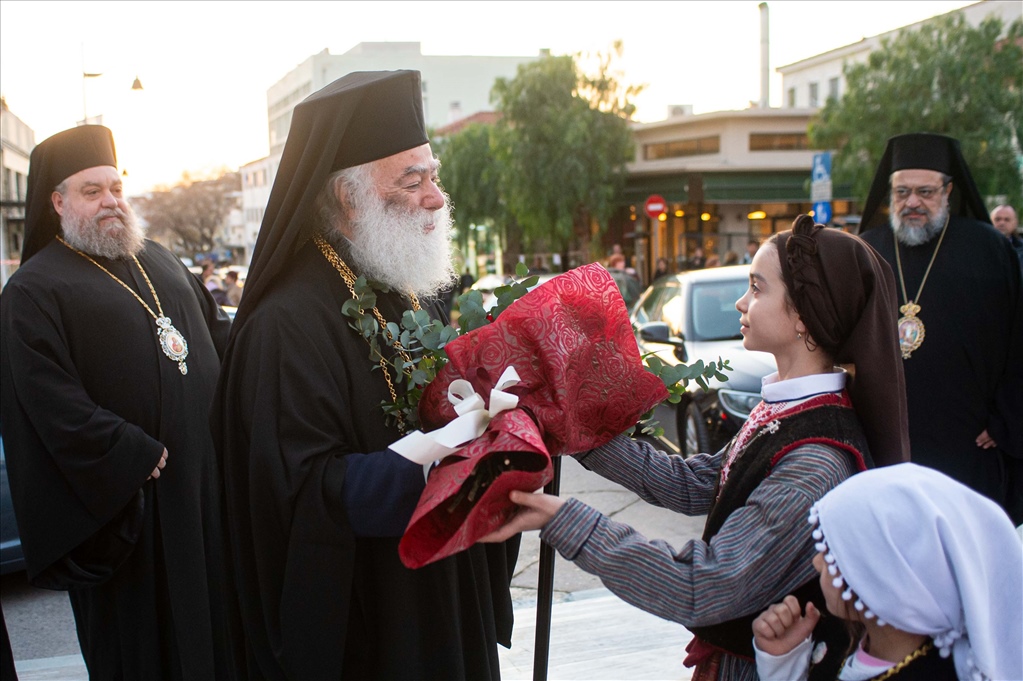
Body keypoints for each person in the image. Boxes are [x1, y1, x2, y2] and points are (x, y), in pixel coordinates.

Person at [483, 214, 909, 680]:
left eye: (758, 287)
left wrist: (562, 519)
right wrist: (571, 427)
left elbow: (705, 584)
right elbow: (690, 484)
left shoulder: (815, 461)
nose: (741, 301)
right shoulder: (794, 413)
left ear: (805, 315)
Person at [211, 71, 518, 679]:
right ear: (349, 199)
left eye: (434, 175)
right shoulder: (284, 327)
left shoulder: (410, 291)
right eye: (413, 181)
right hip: (371, 624)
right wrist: (427, 460)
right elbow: (292, 496)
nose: (436, 197)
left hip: (445, 599)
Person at [0, 125, 240, 679]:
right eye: (91, 190)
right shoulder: (34, 291)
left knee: (218, 635)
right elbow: (41, 396)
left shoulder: (160, 260)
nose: (110, 200)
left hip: (202, 495)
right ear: (57, 202)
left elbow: (219, 339)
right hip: (132, 512)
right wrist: (123, 449)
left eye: (115, 187)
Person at [857, 133, 1023, 523]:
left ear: (948, 191)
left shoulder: (987, 248)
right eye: (901, 192)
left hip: (968, 443)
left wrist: (1008, 419)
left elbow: (1020, 337)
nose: (912, 202)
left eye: (926, 191)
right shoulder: (867, 250)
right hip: (887, 445)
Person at [752, 464, 1022, 681]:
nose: (817, 563)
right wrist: (784, 661)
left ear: (880, 580)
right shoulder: (845, 634)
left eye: (832, 553)